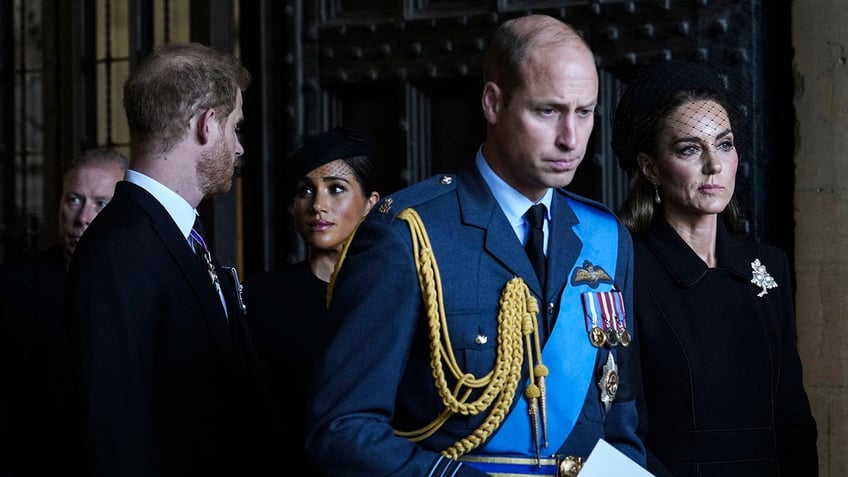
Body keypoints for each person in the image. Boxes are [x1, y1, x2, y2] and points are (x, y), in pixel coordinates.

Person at [305, 14, 646, 477]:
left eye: (583, 112)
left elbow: (619, 418)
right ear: (493, 102)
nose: (571, 138)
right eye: (547, 111)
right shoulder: (408, 235)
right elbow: (342, 430)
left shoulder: (605, 237)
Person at [62, 42, 283, 476]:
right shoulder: (120, 248)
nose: (238, 148)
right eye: (235, 128)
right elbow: (115, 432)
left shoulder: (172, 234)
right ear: (207, 123)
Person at [612, 59, 819, 476]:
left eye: (724, 144)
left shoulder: (768, 267)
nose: (714, 165)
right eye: (690, 149)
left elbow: (793, 420)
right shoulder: (625, 271)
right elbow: (621, 431)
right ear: (651, 167)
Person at [243, 126, 380, 474]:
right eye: (305, 190)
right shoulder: (260, 298)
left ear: (370, 204)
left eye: (336, 189)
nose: (318, 205)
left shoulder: (390, 296)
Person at [0, 146, 127, 477]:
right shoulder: (15, 288)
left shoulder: (142, 287)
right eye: (74, 200)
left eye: (101, 204)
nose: (83, 217)